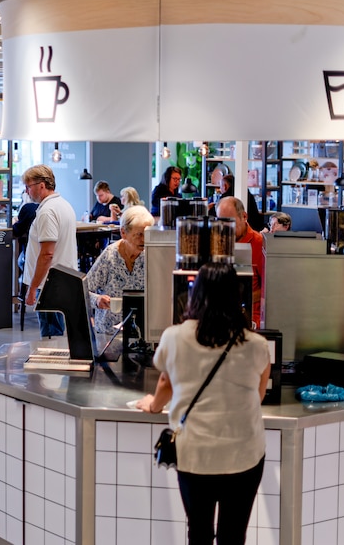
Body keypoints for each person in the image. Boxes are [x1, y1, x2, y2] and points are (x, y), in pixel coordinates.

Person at [136, 263, 271, 545]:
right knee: (233, 535)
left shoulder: (175, 336)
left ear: (195, 294)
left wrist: (153, 405)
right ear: (236, 297)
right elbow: (258, 397)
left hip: (195, 453)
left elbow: (165, 383)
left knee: (198, 531)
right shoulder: (257, 344)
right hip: (244, 454)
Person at [22, 164, 77, 337]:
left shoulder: (47, 211)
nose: (27, 191)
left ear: (41, 186)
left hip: (48, 284)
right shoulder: (63, 205)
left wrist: (33, 287)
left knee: (51, 338)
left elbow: (47, 254)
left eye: (29, 186)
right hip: (60, 280)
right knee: (56, 334)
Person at [87, 205, 154, 334]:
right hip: (108, 333)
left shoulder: (151, 255)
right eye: (139, 234)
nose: (144, 239)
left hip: (141, 333)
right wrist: (97, 300)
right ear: (123, 233)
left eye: (147, 234)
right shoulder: (110, 256)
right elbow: (84, 291)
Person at [216, 196, 265, 328]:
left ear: (244, 216)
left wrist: (242, 299)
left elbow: (268, 288)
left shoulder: (260, 244)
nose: (226, 227)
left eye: (231, 222)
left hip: (250, 317)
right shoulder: (216, 242)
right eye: (221, 222)